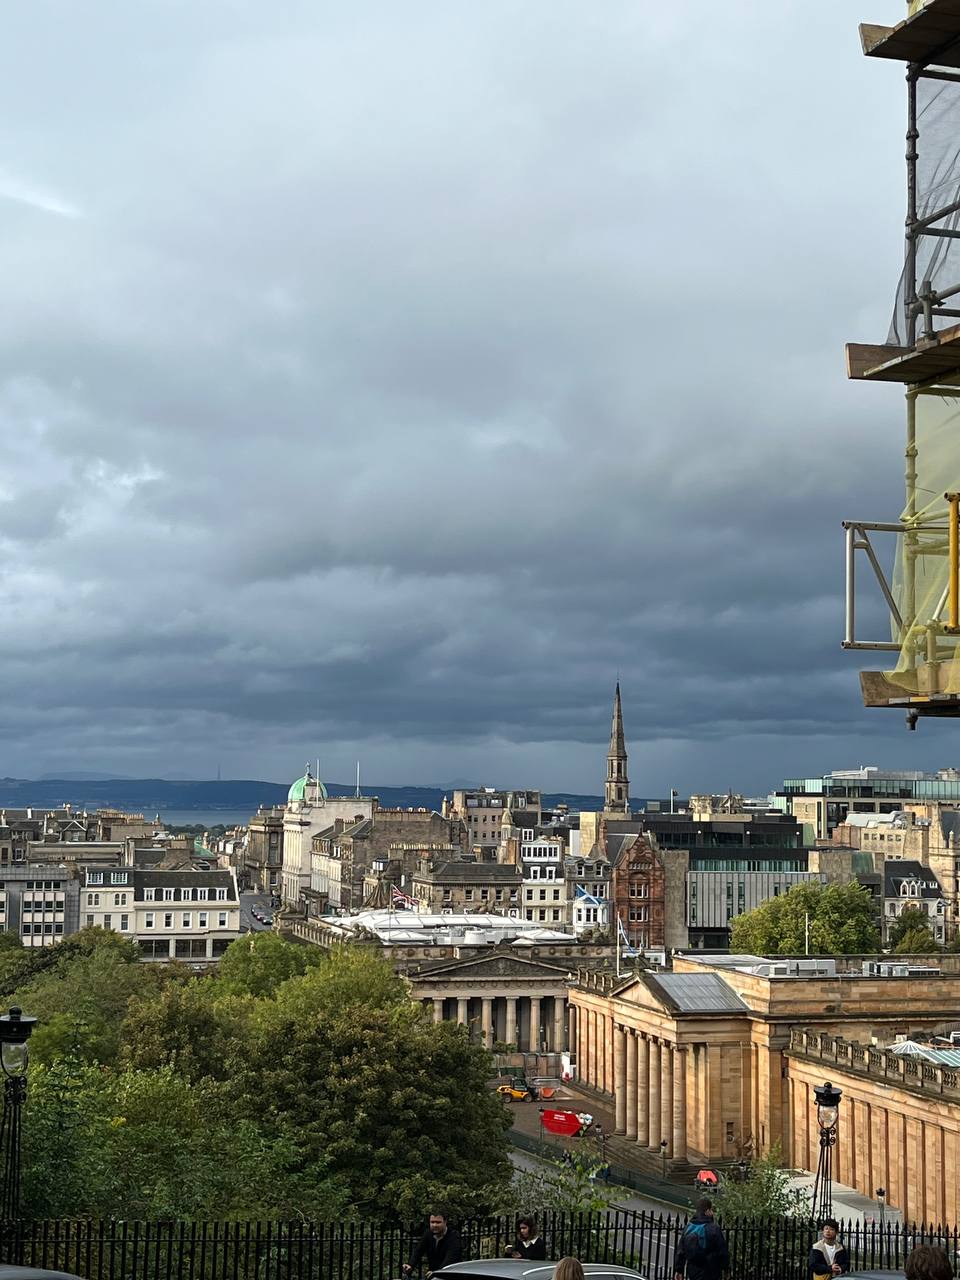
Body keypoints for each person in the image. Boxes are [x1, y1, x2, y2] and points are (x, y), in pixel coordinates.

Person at [673, 1198, 729, 1280]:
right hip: (711, 1271)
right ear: (707, 1211)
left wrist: (679, 1270)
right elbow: (722, 1251)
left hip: (693, 1271)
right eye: (711, 1210)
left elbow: (681, 1251)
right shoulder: (713, 1228)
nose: (712, 1212)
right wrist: (726, 1268)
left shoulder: (688, 1228)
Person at [403, 1211, 463, 1277]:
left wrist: (437, 1272)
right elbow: (418, 1251)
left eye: (438, 1222)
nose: (434, 1225)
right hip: (433, 1273)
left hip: (450, 1274)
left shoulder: (453, 1236)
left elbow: (450, 1258)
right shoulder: (428, 1234)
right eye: (432, 1222)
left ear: (445, 1222)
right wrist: (410, 1264)